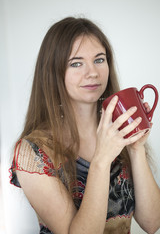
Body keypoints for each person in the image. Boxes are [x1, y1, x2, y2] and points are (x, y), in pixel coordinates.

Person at [9, 17, 160, 234]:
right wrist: (101, 160)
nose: (92, 72)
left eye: (99, 60)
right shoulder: (32, 152)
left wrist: (136, 149)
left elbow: (152, 222)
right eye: (76, 63)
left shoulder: (117, 132)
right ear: (53, 72)